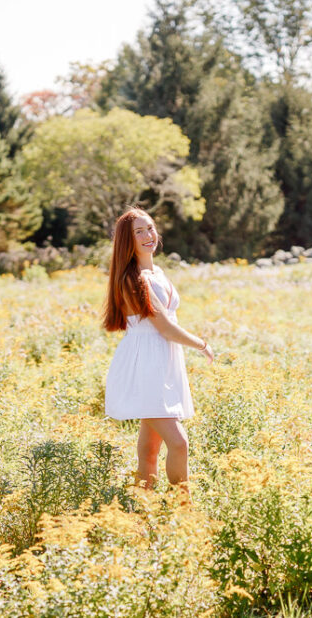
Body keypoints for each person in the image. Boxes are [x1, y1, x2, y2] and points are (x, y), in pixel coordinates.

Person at [102, 207, 214, 490]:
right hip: (145, 366)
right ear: (127, 240)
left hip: (161, 362)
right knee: (179, 443)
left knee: (149, 450)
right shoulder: (133, 278)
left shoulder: (157, 272)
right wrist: (202, 344)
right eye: (138, 232)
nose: (147, 235)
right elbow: (163, 327)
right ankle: (182, 510)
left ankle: (145, 513)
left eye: (149, 228)